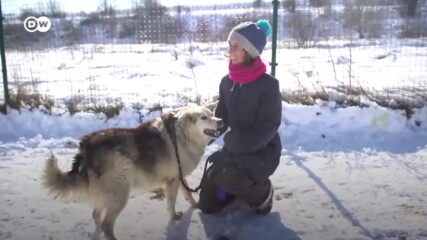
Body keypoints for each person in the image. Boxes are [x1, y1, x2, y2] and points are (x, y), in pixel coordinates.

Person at [197, 19, 282, 215]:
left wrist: (235, 144)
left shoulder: (268, 85)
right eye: (230, 44)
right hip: (234, 150)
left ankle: (263, 194)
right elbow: (221, 118)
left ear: (249, 51)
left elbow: (269, 126)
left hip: (262, 151)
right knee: (209, 204)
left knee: (230, 176)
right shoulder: (227, 82)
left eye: (236, 46)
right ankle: (233, 192)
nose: (230, 50)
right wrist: (203, 134)